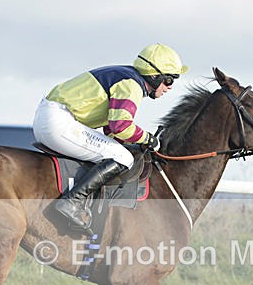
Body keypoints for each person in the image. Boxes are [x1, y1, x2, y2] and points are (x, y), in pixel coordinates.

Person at [33, 43, 189, 229]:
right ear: (155, 76)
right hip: (58, 121)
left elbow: (111, 128)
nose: (169, 87)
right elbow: (121, 126)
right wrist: (148, 139)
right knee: (122, 157)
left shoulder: (126, 76)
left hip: (52, 117)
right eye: (169, 80)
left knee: (118, 151)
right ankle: (72, 201)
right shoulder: (131, 85)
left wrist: (132, 141)